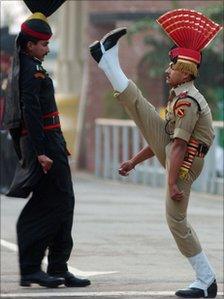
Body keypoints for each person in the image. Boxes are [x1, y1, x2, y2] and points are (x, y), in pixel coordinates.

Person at [89, 9, 222, 298]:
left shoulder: (188, 102)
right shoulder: (179, 97)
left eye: (172, 65)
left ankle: (206, 279)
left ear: (186, 70)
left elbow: (177, 146)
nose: (166, 70)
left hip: (186, 165)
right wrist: (135, 161)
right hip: (180, 157)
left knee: (176, 221)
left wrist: (173, 182)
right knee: (141, 108)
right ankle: (107, 61)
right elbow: (162, 138)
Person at [3, 1, 90, 288]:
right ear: (29, 45)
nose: (47, 48)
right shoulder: (30, 70)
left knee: (64, 202)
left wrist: (55, 144)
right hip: (42, 144)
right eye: (42, 44)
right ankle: (31, 268)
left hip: (51, 142)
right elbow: (30, 111)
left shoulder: (33, 65)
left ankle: (57, 266)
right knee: (50, 204)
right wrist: (40, 151)